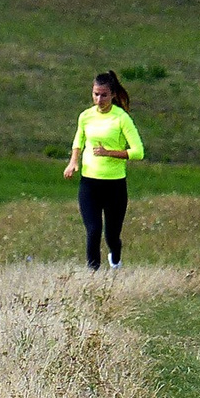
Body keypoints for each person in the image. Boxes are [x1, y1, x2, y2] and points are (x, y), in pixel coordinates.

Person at [63, 70, 144, 270]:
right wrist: (73, 161)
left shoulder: (121, 118)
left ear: (113, 95)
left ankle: (115, 258)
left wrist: (109, 153)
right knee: (93, 229)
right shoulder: (86, 116)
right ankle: (93, 274)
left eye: (104, 95)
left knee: (112, 234)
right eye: (95, 94)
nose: (99, 99)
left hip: (114, 184)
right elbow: (79, 140)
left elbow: (138, 152)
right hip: (90, 182)